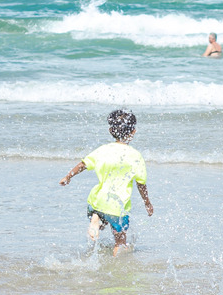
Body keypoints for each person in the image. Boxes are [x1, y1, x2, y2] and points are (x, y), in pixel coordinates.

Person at [59, 110, 154, 256]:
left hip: (97, 201)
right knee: (120, 242)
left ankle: (96, 219)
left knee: (102, 220)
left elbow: (83, 164)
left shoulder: (103, 150)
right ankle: (118, 262)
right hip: (118, 208)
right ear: (133, 131)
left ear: (111, 130)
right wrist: (147, 203)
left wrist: (68, 176)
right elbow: (141, 184)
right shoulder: (135, 156)